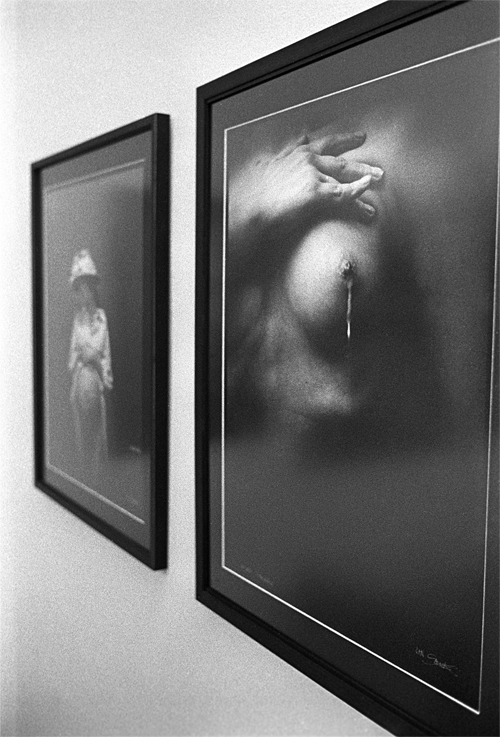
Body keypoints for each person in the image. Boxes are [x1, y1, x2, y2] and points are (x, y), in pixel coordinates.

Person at [68, 249, 113, 484]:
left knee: (96, 436)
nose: (82, 293)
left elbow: (101, 354)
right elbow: (74, 355)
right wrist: (82, 357)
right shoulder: (78, 320)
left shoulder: (101, 318)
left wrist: (92, 358)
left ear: (92, 288)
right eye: (79, 288)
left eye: (85, 287)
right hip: (80, 385)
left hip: (94, 384)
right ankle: (83, 475)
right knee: (81, 436)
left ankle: (97, 478)